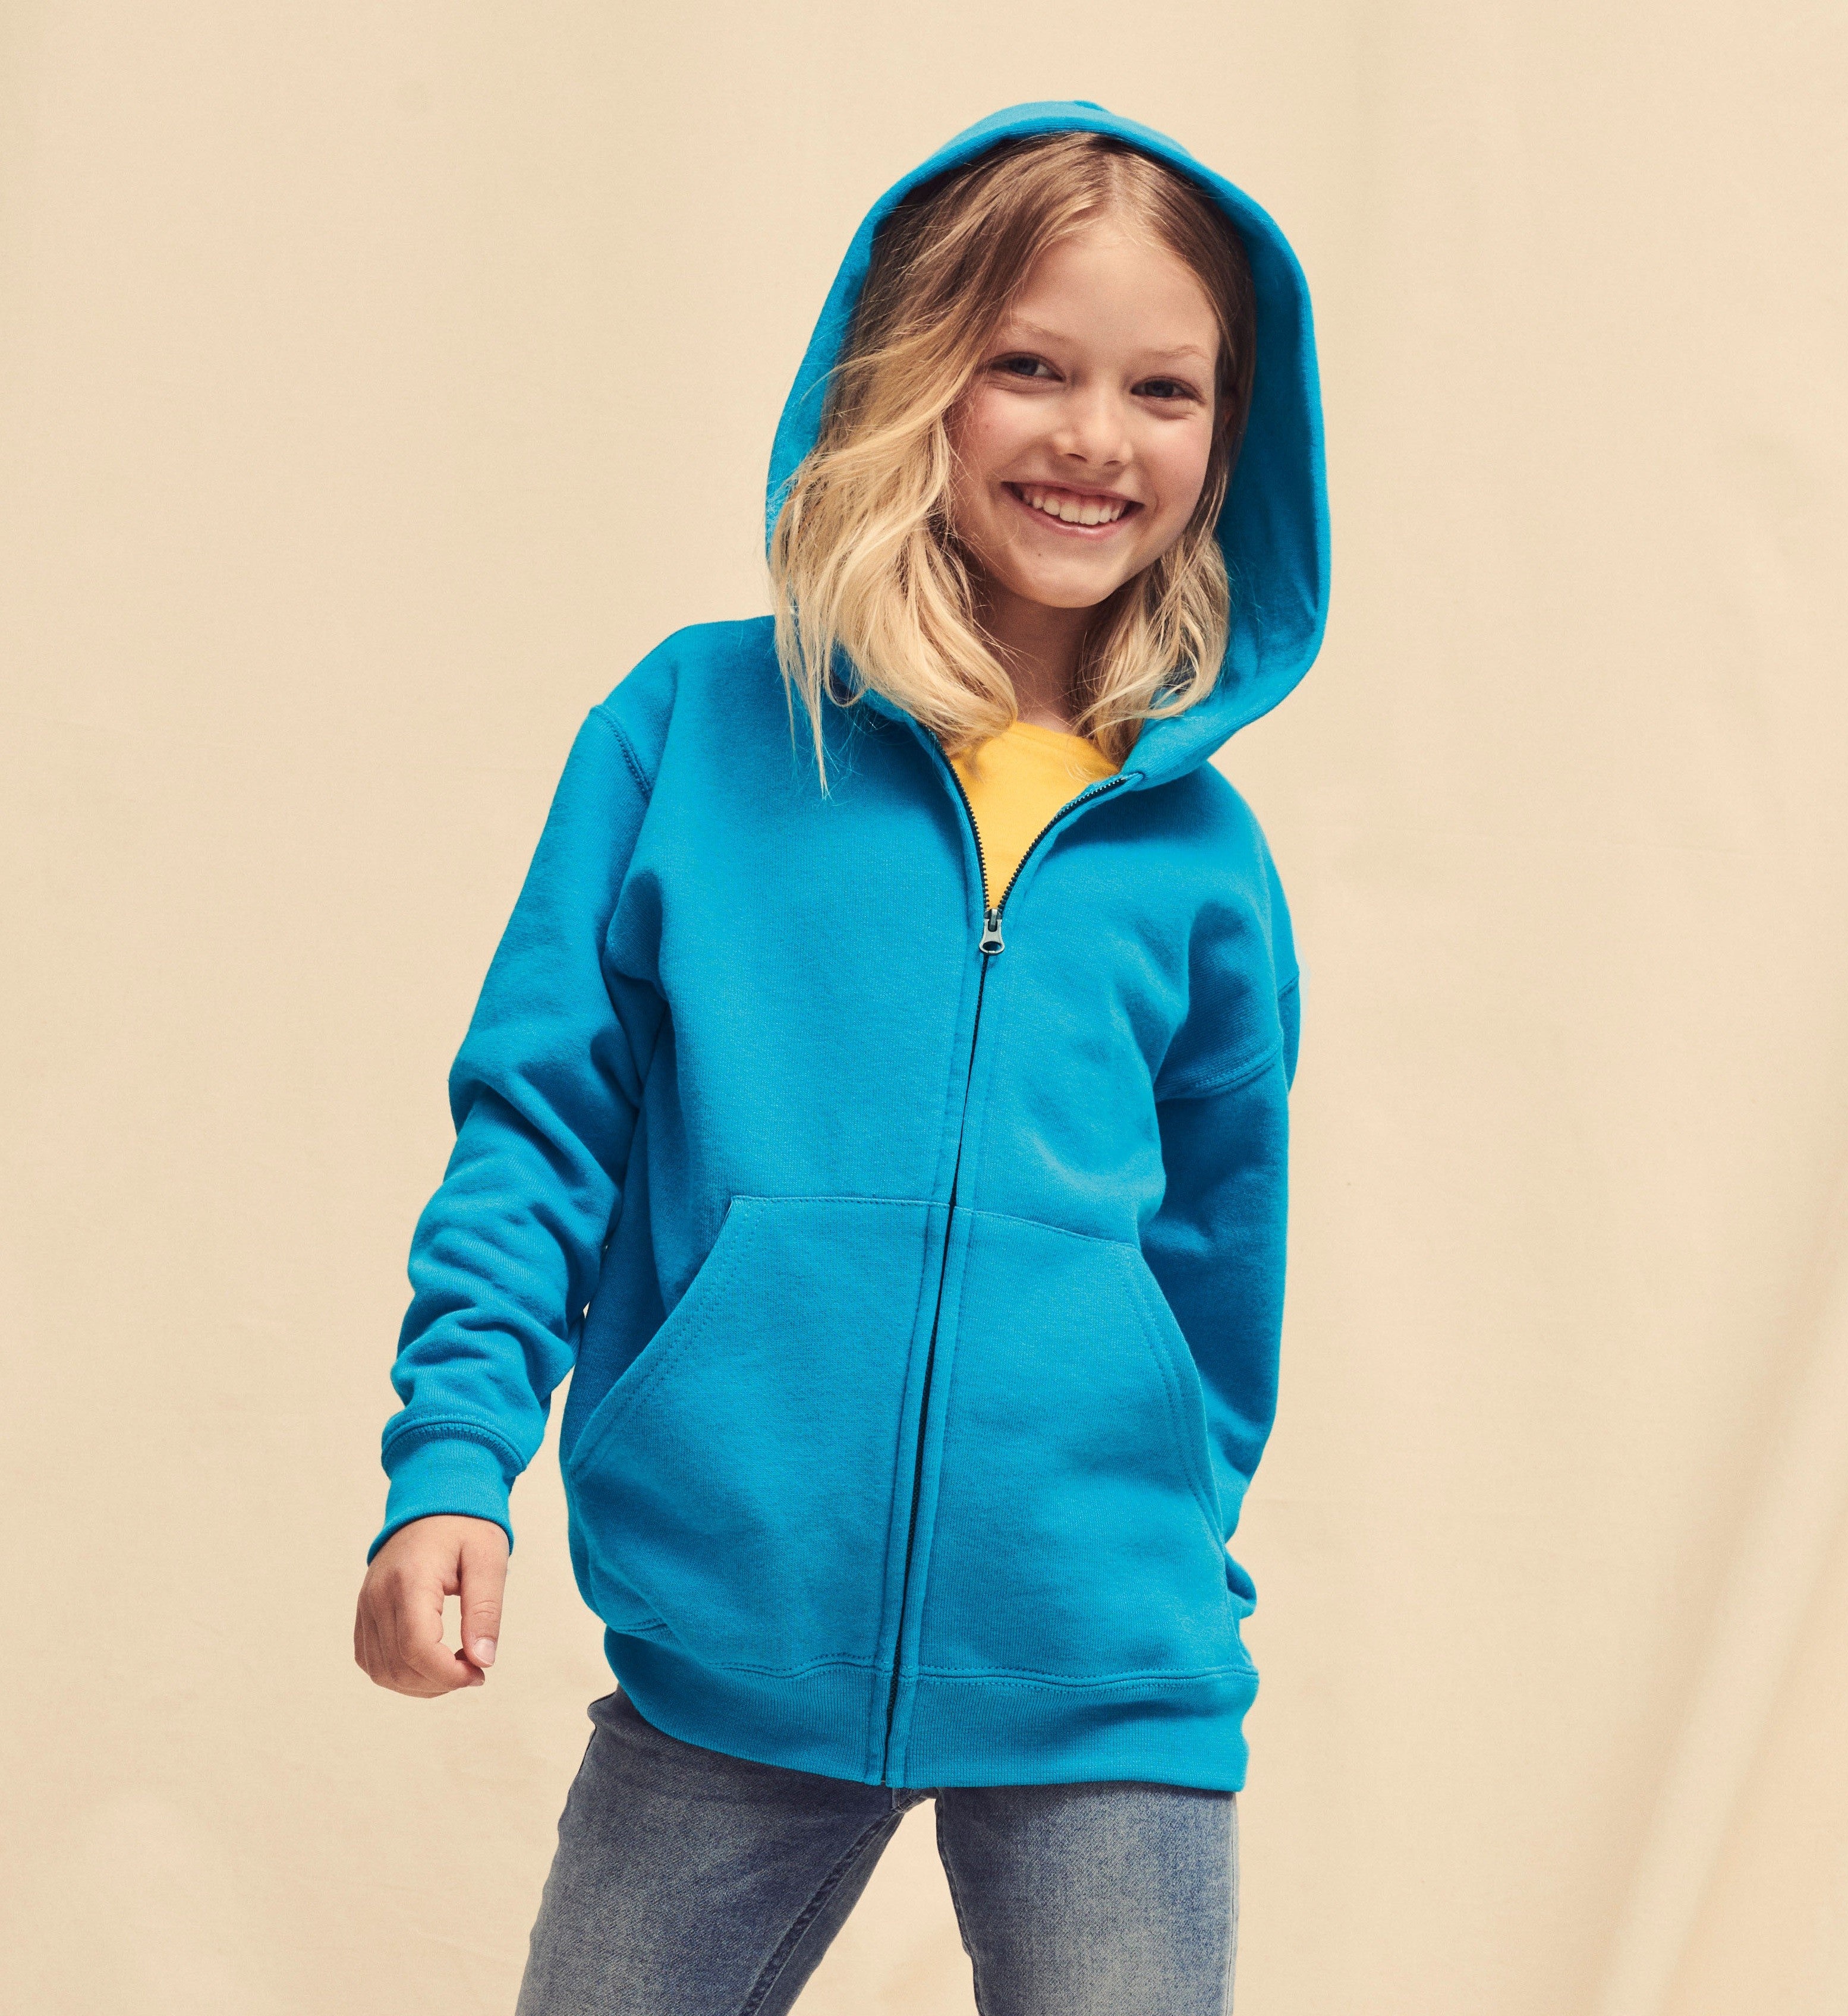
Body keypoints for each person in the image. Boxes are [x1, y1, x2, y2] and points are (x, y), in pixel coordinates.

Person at [352, 98, 1327, 2016]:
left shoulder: (1201, 860)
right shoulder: (694, 728)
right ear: (911, 379)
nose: (1093, 437)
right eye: (1029, 367)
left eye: (1162, 389)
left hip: (1105, 1664)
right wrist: (451, 1461)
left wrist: (1146, 1528)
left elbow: (1222, 1264)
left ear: (1228, 441)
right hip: (732, 1642)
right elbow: (539, 1129)